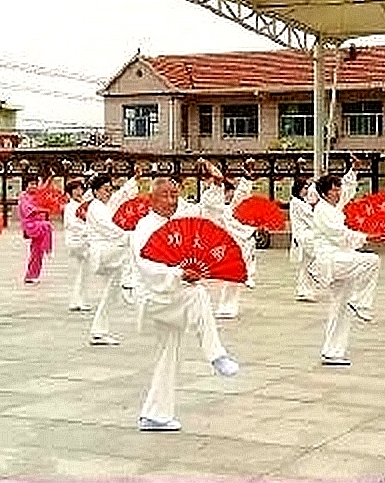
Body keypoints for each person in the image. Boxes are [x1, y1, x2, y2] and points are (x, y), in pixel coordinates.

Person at [133, 177, 239, 432]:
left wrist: (215, 185)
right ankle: (216, 354)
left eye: (174, 195)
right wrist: (179, 275)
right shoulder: (144, 228)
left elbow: (207, 209)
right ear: (151, 199)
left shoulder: (178, 223)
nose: (171, 201)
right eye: (164, 196)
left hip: (172, 296)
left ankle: (155, 415)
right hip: (155, 296)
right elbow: (146, 265)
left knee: (168, 356)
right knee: (198, 294)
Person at [309, 170, 381, 366]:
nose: (339, 192)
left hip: (342, 258)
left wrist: (353, 172)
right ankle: (361, 303)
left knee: (340, 307)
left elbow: (348, 192)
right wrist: (366, 237)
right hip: (331, 260)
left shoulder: (333, 209)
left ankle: (332, 351)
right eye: (334, 189)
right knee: (372, 261)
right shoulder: (322, 210)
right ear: (324, 193)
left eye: (339, 188)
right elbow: (339, 234)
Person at [85, 169, 140, 345]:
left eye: (110, 189)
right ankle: (129, 282)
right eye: (105, 190)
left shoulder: (105, 205)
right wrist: (129, 235)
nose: (109, 193)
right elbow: (109, 229)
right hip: (102, 253)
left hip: (109, 252)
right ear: (95, 191)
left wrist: (135, 179)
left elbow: (121, 196)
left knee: (110, 295)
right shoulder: (95, 207)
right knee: (131, 247)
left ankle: (99, 332)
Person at [199, 159, 257, 319]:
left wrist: (247, 178)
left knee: (232, 279)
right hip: (219, 245)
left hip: (234, 246)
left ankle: (228, 307)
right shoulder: (210, 201)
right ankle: (219, 306)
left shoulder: (229, 209)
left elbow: (241, 196)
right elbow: (219, 186)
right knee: (217, 281)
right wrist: (211, 170)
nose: (231, 193)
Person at [18, 176, 53, 286]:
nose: (33, 186)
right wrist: (43, 209)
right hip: (31, 224)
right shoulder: (23, 196)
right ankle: (48, 248)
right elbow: (29, 209)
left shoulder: (37, 194)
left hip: (39, 226)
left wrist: (51, 177)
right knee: (47, 226)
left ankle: (32, 276)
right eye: (31, 184)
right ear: (26, 185)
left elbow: (44, 188)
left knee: (37, 252)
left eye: (35, 184)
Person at [63, 179, 92, 312]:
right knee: (84, 272)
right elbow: (71, 224)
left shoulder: (82, 204)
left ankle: (77, 301)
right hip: (78, 241)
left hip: (83, 239)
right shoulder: (70, 207)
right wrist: (88, 229)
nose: (79, 192)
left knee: (82, 272)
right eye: (75, 190)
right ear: (70, 193)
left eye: (80, 189)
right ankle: (80, 300)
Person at [290, 176, 318, 302]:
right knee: (309, 264)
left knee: (305, 265)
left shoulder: (300, 202)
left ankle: (304, 291)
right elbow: (310, 219)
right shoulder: (298, 203)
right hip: (305, 236)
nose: (306, 190)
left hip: (304, 236)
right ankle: (305, 290)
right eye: (305, 188)